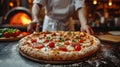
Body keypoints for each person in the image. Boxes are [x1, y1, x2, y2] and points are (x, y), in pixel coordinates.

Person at [27, 0, 94, 35]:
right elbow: (37, 4)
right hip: (50, 26)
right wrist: (35, 18)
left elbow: (80, 6)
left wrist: (84, 24)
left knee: (70, 52)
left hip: (68, 25)